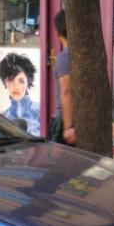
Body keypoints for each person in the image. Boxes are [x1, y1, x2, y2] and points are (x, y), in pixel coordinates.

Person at [48, 10, 75, 145]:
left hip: (62, 121)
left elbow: (66, 92)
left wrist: (68, 127)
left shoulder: (64, 58)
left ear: (58, 30)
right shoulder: (77, 56)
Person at [0, 53, 40, 136]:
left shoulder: (40, 112)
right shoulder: (2, 118)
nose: (15, 86)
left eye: (21, 81)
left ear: (28, 82)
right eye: (11, 80)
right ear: (5, 82)